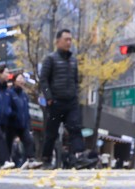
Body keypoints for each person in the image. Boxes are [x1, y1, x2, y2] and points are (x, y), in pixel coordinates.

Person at [39, 29, 96, 169]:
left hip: (71, 103)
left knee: (75, 128)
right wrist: (49, 97)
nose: (69, 42)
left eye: (70, 39)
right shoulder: (50, 59)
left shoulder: (73, 61)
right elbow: (43, 80)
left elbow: (76, 81)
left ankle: (79, 157)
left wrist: (75, 96)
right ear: (58, 41)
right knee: (51, 132)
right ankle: (46, 160)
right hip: (55, 102)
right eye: (66, 39)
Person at [7, 73, 41, 169]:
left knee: (29, 141)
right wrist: (11, 116)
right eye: (20, 78)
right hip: (12, 123)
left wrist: (29, 125)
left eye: (23, 79)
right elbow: (7, 107)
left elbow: (26, 111)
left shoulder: (24, 95)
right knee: (8, 142)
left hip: (23, 124)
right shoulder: (9, 93)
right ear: (14, 81)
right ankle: (4, 161)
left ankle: (31, 160)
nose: (22, 80)